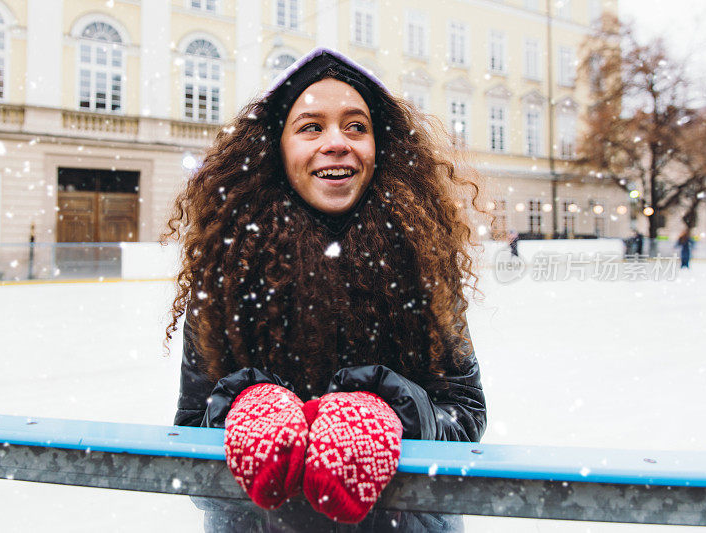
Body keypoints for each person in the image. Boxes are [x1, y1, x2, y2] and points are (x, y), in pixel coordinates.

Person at [164, 47, 486, 532]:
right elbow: (191, 436)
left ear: (382, 148)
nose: (337, 142)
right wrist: (241, 411)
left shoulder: (422, 264)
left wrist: (396, 413)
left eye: (356, 126)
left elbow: (466, 417)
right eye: (311, 127)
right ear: (277, 148)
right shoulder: (226, 273)